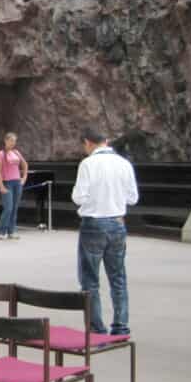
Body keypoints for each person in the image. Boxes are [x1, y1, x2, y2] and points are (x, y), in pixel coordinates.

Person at [71, 127, 139, 336]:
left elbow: (78, 197)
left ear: (87, 143)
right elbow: (132, 198)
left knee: (90, 278)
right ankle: (120, 325)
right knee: (118, 276)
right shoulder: (124, 164)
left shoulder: (88, 164)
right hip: (117, 222)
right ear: (106, 141)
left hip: (93, 223)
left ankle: (96, 327)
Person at [0, 132, 28, 240]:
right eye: (11, 140)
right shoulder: (1, 154)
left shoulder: (16, 152)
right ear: (6, 140)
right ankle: (1, 231)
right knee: (8, 208)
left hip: (17, 182)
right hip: (7, 182)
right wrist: (1, 186)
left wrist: (23, 178)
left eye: (14, 141)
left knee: (14, 208)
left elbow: (25, 164)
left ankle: (11, 231)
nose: (13, 143)